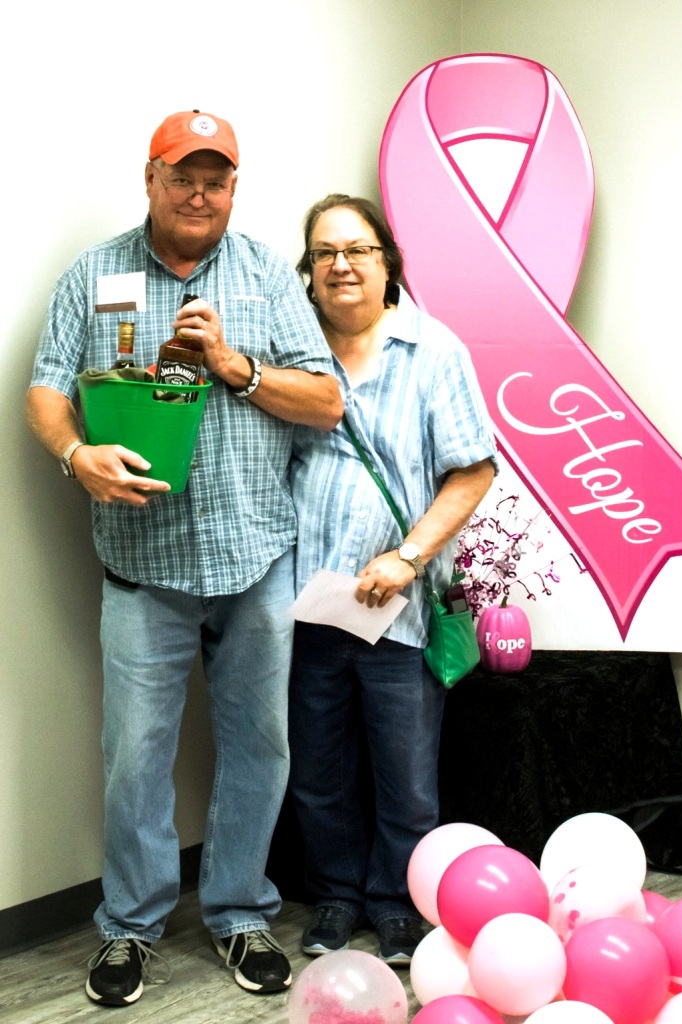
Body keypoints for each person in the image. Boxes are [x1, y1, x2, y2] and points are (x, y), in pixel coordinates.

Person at [25, 111, 343, 1007]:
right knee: (135, 755)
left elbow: (326, 401)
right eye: (183, 177)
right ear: (151, 178)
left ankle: (240, 912)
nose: (199, 195)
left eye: (216, 180)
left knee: (258, 748)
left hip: (256, 559)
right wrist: (75, 455)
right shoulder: (96, 275)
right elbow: (46, 389)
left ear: (234, 189)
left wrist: (238, 367)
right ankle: (129, 927)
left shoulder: (268, 278)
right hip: (143, 563)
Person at [288, 194, 497, 966]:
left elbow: (473, 472)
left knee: (405, 778)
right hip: (307, 606)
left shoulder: (433, 351)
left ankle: (398, 904)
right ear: (308, 270)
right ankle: (337, 897)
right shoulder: (292, 351)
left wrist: (407, 556)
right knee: (318, 771)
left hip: (398, 608)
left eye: (357, 250)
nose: (340, 265)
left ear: (387, 262)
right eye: (324, 253)